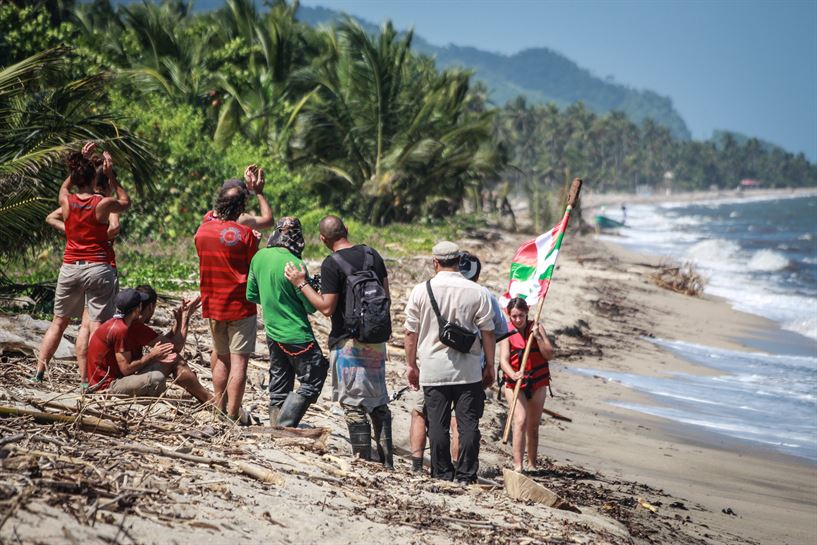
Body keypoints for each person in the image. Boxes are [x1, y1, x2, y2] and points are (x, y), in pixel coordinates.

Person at [284, 215, 393, 467]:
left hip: (348, 344)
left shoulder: (332, 263)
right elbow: (385, 296)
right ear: (347, 230)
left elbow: (326, 308)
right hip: (376, 339)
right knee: (378, 400)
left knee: (353, 402)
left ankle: (364, 461)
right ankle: (388, 462)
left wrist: (301, 284)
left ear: (323, 239)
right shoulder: (372, 254)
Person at [33, 142, 130, 386]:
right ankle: (91, 379)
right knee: (96, 325)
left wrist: (77, 167)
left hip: (70, 266)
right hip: (98, 266)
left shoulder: (67, 201)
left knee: (58, 323)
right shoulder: (102, 203)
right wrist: (110, 175)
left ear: (77, 178)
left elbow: (64, 188)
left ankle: (38, 373)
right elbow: (125, 201)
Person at [404, 241, 496, 483]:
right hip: (468, 371)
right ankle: (466, 474)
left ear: (435, 262)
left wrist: (411, 365)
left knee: (437, 425)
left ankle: (442, 473)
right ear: (459, 261)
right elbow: (488, 331)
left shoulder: (420, 290)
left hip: (433, 369)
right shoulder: (478, 292)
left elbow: (410, 333)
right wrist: (490, 365)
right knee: (468, 426)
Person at [247, 217, 328, 428]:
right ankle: (285, 422)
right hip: (298, 334)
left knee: (280, 379)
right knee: (314, 377)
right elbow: (311, 306)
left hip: (273, 332)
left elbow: (252, 295)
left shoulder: (259, 257)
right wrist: (310, 288)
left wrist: (274, 297)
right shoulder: (296, 264)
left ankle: (276, 423)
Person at [194, 182, 259, 422]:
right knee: (239, 362)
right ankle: (233, 414)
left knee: (221, 356)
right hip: (241, 304)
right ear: (241, 207)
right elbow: (254, 266)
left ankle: (219, 407)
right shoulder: (245, 234)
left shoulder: (202, 231)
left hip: (213, 304)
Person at [86, 287, 213, 402]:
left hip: (109, 381)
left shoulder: (125, 323)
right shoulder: (122, 329)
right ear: (138, 309)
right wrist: (185, 318)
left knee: (173, 358)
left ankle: (207, 399)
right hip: (107, 387)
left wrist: (179, 322)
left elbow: (166, 344)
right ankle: (209, 400)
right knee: (167, 367)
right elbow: (126, 369)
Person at [499, 297, 555, 472]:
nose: (517, 320)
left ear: (527, 314)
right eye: (514, 316)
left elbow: (549, 355)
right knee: (521, 420)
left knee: (533, 425)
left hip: (537, 382)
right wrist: (513, 374)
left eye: (521, 316)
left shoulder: (536, 328)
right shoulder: (507, 332)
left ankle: (532, 464)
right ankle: (518, 465)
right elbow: (503, 361)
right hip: (514, 383)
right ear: (509, 315)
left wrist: (538, 337)